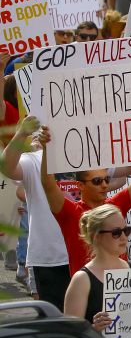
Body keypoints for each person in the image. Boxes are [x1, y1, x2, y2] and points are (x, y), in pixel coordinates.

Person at [37, 124, 131, 277]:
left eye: (106, 179)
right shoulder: (69, 212)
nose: (104, 185)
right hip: (87, 286)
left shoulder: (116, 205)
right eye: (97, 181)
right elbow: (48, 185)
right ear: (80, 185)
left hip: (120, 285)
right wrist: (47, 150)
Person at [0, 117, 68, 307]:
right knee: (52, 319)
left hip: (86, 255)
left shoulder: (87, 156)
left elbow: (125, 171)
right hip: (47, 259)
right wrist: (21, 133)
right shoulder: (33, 160)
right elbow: (6, 167)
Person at [63, 204, 131, 331]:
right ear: (97, 236)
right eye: (116, 233)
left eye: (126, 230)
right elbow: (70, 336)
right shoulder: (82, 280)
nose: (124, 237)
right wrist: (94, 329)